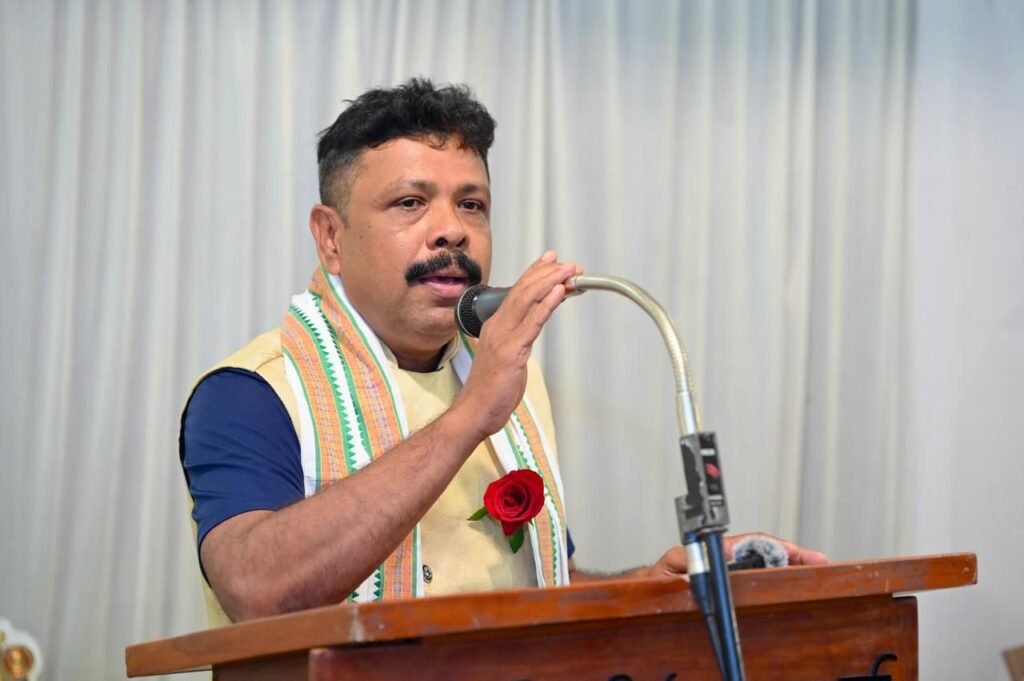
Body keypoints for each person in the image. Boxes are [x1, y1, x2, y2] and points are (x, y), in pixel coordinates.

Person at [180, 78, 826, 627]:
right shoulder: (253, 389)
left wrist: (649, 588)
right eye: (410, 203)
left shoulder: (509, 375)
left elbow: (535, 585)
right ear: (330, 237)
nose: (452, 230)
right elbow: (256, 592)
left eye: (472, 205)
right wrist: (472, 415)